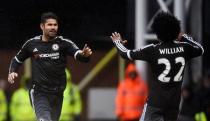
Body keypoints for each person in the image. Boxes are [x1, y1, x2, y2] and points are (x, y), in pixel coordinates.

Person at [110, 11, 204, 121]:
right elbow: (200, 49)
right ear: (176, 30)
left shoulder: (152, 50)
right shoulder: (185, 48)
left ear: (157, 33)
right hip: (174, 104)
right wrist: (184, 37)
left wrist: (118, 43)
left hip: (155, 104)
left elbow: (125, 54)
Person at [7, 12, 92, 121]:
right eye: (49, 25)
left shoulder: (63, 43)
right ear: (42, 26)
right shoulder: (32, 44)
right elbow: (17, 59)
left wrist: (85, 55)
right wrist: (12, 71)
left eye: (55, 25)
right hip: (39, 93)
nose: (53, 28)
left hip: (57, 93)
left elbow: (79, 55)